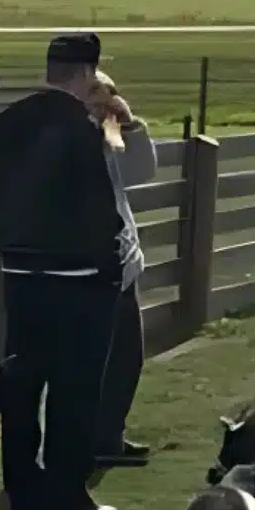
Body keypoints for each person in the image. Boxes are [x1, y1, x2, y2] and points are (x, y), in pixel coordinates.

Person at [0, 33, 149, 510]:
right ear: (86, 73)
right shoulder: (87, 126)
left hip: (21, 273)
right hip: (81, 278)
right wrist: (111, 260)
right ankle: (67, 492)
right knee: (76, 391)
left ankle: (22, 489)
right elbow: (104, 203)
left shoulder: (11, 120)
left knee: (23, 384)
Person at [88, 70, 157, 472]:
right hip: (94, 267)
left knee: (127, 359)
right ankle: (90, 441)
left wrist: (128, 123)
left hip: (123, 265)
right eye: (97, 91)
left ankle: (109, 435)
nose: (105, 99)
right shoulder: (75, 138)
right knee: (97, 362)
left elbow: (138, 171)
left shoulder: (109, 132)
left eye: (111, 92)